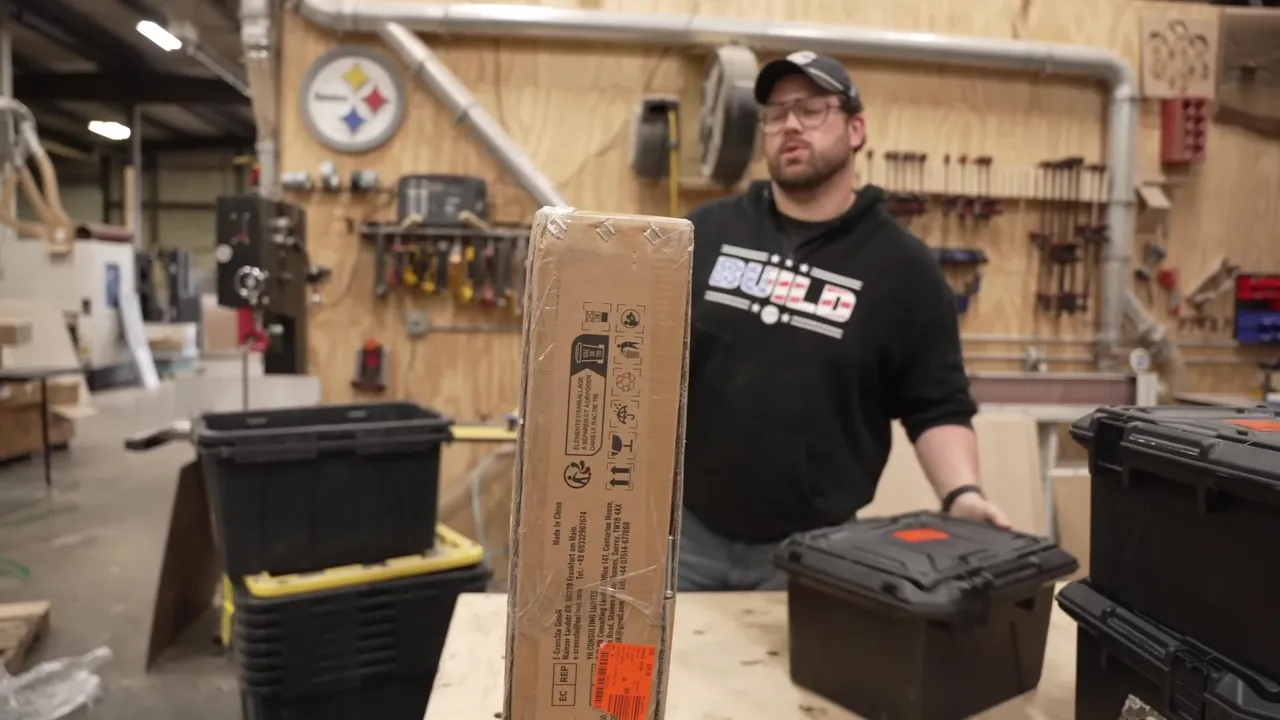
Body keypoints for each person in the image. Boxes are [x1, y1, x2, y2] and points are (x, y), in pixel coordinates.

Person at [678, 51, 1010, 592]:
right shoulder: (702, 234)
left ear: (856, 129)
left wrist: (962, 495)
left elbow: (936, 404)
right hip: (682, 536)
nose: (790, 124)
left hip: (813, 551)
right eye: (775, 114)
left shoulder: (905, 269)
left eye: (811, 109)